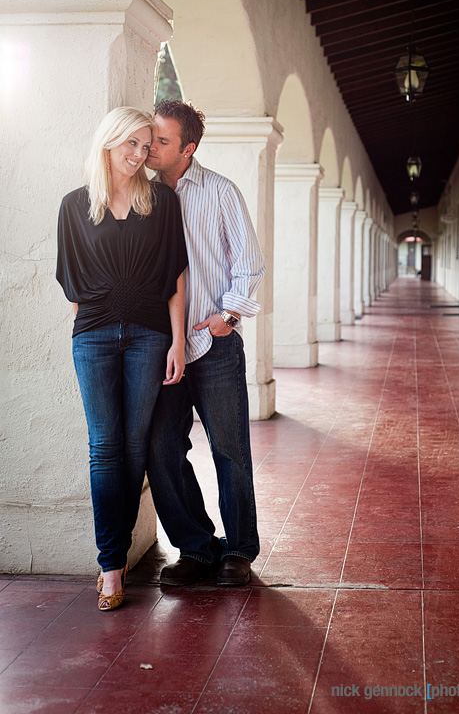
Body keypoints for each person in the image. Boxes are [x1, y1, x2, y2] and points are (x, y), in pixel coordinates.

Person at [56, 107, 188, 611]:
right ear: (108, 144)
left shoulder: (162, 203)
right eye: (130, 144)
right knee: (104, 446)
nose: (139, 154)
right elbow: (71, 283)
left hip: (151, 336)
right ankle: (110, 565)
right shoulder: (74, 205)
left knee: (134, 447)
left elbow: (176, 276)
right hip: (92, 336)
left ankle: (115, 557)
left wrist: (177, 341)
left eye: (146, 144)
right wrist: (106, 307)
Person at [146, 99, 265, 586]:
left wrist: (227, 316)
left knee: (229, 448)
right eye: (150, 137)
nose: (151, 148)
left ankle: (238, 550)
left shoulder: (219, 191)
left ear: (188, 149)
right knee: (162, 448)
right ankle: (195, 548)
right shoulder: (141, 194)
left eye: (162, 141)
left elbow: (249, 263)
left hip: (214, 344)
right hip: (162, 346)